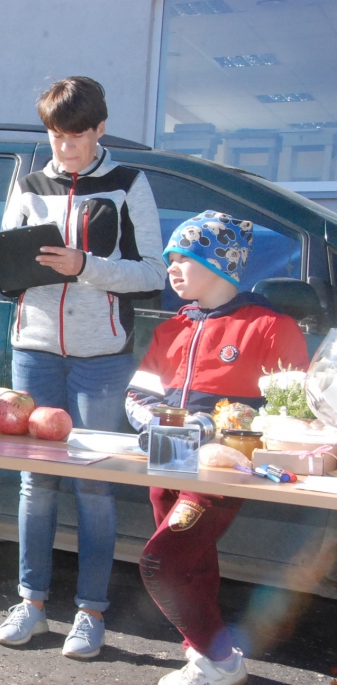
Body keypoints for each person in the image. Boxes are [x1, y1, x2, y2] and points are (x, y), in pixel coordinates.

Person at [0, 76, 167, 659]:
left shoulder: (128, 182)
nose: (63, 146)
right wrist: (4, 270)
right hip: (34, 349)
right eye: (54, 134)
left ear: (98, 129)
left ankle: (90, 612)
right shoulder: (29, 181)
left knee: (94, 487)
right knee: (34, 482)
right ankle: (32, 602)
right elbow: (3, 261)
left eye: (74, 135)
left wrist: (84, 265)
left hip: (102, 359)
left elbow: (152, 273)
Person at [125, 211, 309, 685]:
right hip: (165, 458)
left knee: (162, 562)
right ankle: (202, 657)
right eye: (169, 259)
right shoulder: (172, 328)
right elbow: (137, 395)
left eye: (184, 257)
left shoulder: (269, 326)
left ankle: (222, 659)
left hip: (225, 471)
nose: (172, 268)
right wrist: (157, 423)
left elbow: (292, 412)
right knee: (194, 564)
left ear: (222, 264)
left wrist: (209, 427)